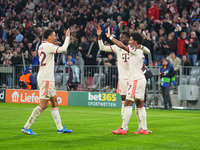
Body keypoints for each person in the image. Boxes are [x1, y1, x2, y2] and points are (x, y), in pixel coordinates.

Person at [21, 28, 72, 135]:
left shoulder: (41, 46)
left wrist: (54, 44)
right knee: (43, 105)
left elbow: (51, 49)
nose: (55, 37)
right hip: (46, 78)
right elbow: (63, 49)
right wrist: (67, 37)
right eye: (54, 35)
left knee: (54, 102)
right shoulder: (49, 46)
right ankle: (26, 127)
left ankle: (60, 128)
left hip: (47, 77)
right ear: (49, 37)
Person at [105, 27, 150, 135]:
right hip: (141, 79)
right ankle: (144, 129)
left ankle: (123, 128)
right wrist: (142, 45)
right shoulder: (140, 50)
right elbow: (148, 51)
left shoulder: (135, 50)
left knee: (128, 103)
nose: (129, 41)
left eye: (131, 40)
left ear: (135, 41)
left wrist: (110, 37)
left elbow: (121, 45)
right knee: (140, 105)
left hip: (135, 80)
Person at [97, 25, 130, 130]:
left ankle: (142, 127)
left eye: (123, 37)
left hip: (133, 78)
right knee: (124, 102)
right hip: (123, 79)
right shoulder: (117, 47)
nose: (121, 38)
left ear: (129, 39)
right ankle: (124, 126)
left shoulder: (133, 48)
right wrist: (99, 37)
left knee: (138, 103)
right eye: (120, 37)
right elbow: (102, 47)